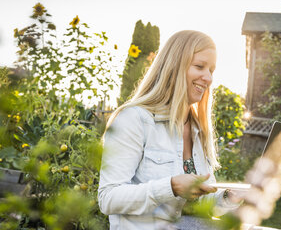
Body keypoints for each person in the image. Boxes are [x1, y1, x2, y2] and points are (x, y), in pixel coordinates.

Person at [98, 30, 241, 230]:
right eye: (200, 66)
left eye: (211, 70)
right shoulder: (134, 119)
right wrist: (170, 187)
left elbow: (201, 207)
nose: (208, 78)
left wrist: (229, 197)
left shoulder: (197, 130)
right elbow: (108, 198)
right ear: (175, 66)